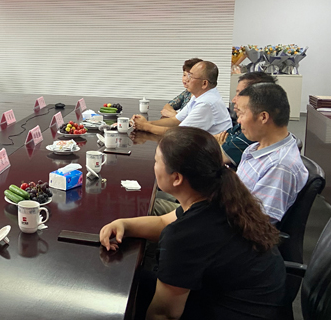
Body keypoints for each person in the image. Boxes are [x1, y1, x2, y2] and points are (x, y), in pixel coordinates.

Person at [100, 127, 285, 320]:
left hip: (230, 311)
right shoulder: (221, 196)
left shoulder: (186, 234)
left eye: (156, 161)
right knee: (130, 281)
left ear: (177, 178)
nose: (154, 166)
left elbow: (164, 314)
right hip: (241, 300)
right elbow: (164, 221)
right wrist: (124, 225)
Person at [235, 83, 308, 224]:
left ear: (263, 117)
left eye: (242, 114)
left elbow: (257, 223)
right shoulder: (255, 148)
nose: (238, 120)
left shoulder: (280, 166)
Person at [132, 61, 231, 135]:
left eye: (191, 76)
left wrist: (145, 126)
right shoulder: (198, 96)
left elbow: (180, 133)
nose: (186, 80)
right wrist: (146, 123)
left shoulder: (207, 103)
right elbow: (175, 120)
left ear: (204, 83)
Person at [214, 72, 277, 166]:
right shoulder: (244, 124)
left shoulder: (253, 131)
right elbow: (217, 138)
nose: (234, 100)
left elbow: (216, 157)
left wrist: (221, 145)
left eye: (240, 94)